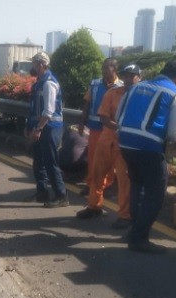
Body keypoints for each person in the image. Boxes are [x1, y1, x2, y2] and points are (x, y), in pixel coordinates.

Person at [116, 60, 176, 253]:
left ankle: (134, 231)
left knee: (137, 186)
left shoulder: (136, 86)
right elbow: (175, 134)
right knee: (156, 192)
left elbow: (118, 116)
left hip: (125, 143)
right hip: (149, 146)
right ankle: (139, 239)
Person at [76, 64, 139, 229]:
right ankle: (94, 206)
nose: (127, 79)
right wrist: (119, 127)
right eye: (125, 76)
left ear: (139, 78)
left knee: (124, 181)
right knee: (97, 175)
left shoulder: (141, 97)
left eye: (132, 76)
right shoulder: (112, 93)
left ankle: (125, 215)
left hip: (125, 145)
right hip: (106, 140)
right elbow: (103, 117)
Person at [25, 51, 68, 208]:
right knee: (38, 162)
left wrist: (38, 129)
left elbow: (48, 111)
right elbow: (33, 109)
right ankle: (42, 191)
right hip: (40, 127)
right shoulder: (39, 83)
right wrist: (29, 127)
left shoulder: (49, 83)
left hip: (49, 128)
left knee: (50, 162)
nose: (33, 66)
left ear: (41, 65)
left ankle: (61, 195)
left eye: (35, 64)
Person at [78, 58, 122, 196]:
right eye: (102, 68)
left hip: (111, 130)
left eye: (106, 68)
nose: (103, 70)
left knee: (110, 160)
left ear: (114, 69)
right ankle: (91, 183)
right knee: (92, 158)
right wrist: (82, 122)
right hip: (95, 128)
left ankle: (107, 185)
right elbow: (87, 104)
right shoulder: (95, 84)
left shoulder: (121, 86)